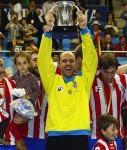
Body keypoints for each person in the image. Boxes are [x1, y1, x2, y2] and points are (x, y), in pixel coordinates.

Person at [37, 10, 98, 150]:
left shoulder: (84, 81)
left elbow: (91, 59)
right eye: (64, 61)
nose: (68, 64)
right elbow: (42, 60)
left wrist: (84, 31)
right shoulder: (52, 81)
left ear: (77, 63)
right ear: (58, 64)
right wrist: (48, 33)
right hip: (55, 135)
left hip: (80, 135)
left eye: (71, 60)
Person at [7, 52, 40, 150]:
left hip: (28, 107)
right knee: (19, 129)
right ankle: (21, 145)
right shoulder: (13, 77)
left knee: (15, 127)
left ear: (29, 64)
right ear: (16, 65)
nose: (22, 66)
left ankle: (21, 146)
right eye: (19, 63)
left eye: (24, 63)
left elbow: (37, 92)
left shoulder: (32, 78)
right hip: (16, 108)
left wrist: (28, 96)